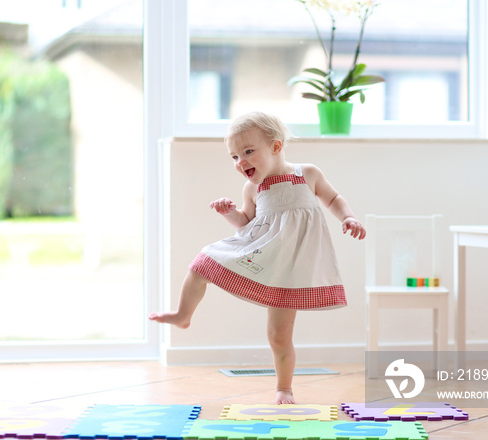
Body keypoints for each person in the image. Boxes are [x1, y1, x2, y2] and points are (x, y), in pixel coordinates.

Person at [149, 111, 366, 404]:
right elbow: (246, 224)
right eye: (234, 156)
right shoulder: (253, 188)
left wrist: (348, 218)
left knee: (279, 335)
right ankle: (183, 315)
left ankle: (284, 388)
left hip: (292, 269)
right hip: (262, 256)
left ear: (276, 147)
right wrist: (230, 213)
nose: (241, 162)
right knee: (202, 262)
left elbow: (332, 198)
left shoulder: (308, 174)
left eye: (248, 152)